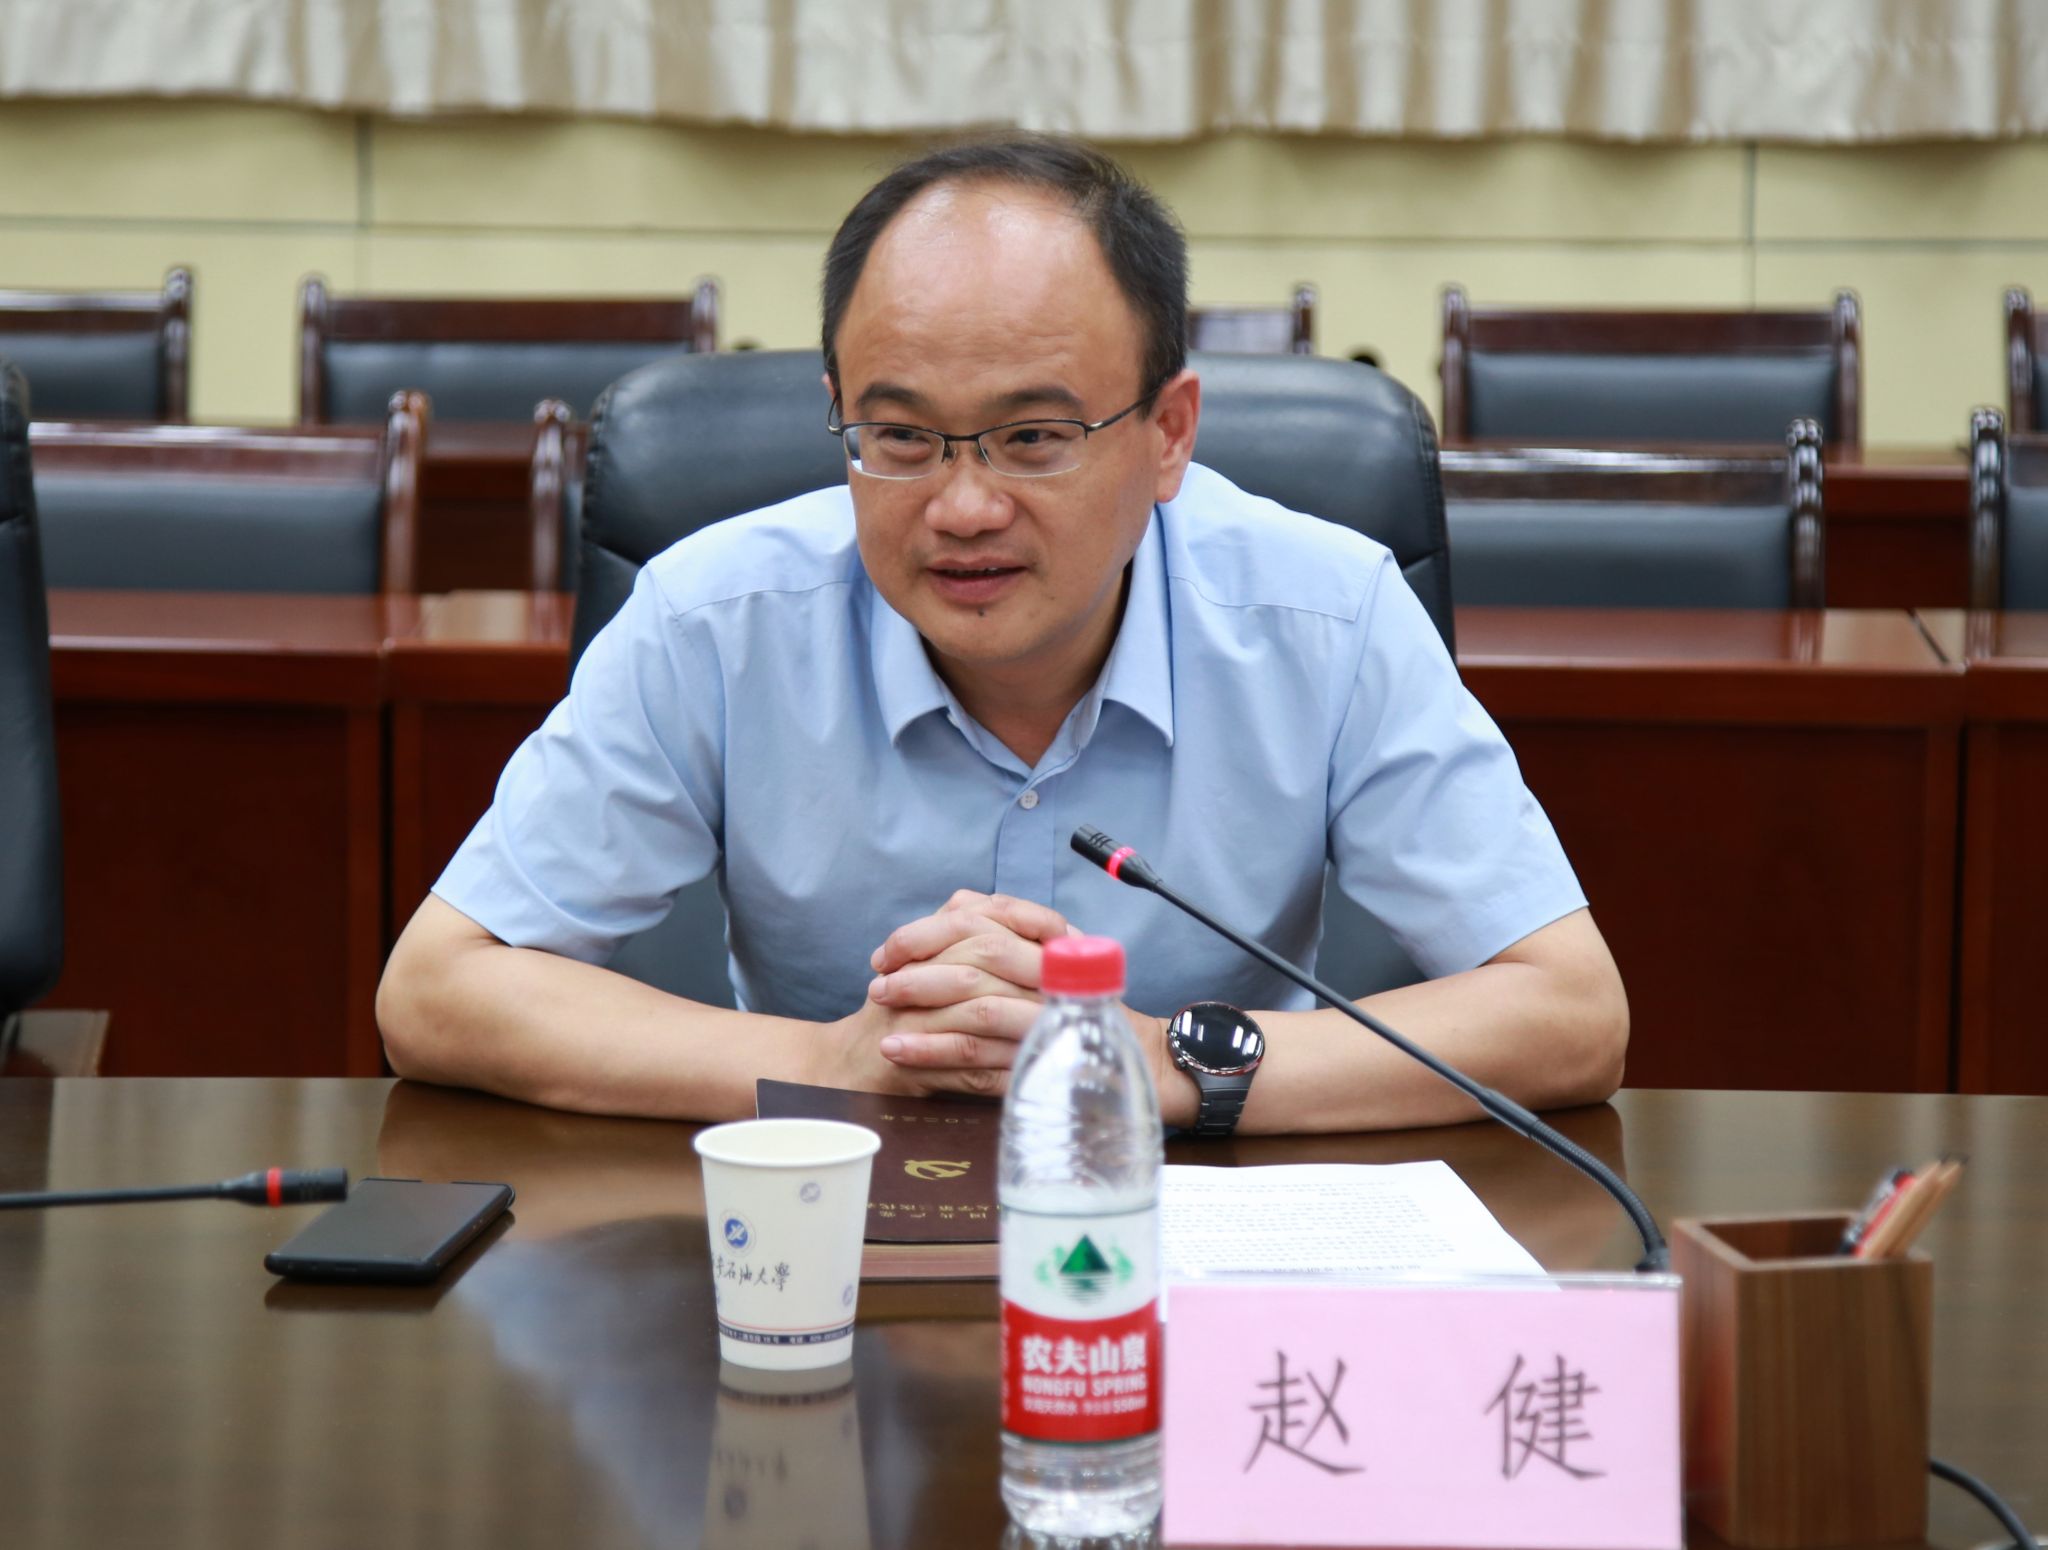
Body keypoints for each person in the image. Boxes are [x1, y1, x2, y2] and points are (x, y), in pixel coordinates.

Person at [377, 135, 1627, 1133]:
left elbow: (1569, 1014)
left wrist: (1153, 1061)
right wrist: (830, 1060)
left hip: (1185, 1236)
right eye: (900, 437)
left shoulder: (1324, 616)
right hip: (818, 1245)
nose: (962, 507)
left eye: (1033, 437)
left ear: (1167, 433)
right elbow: (436, 989)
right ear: (839, 417)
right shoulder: (717, 617)